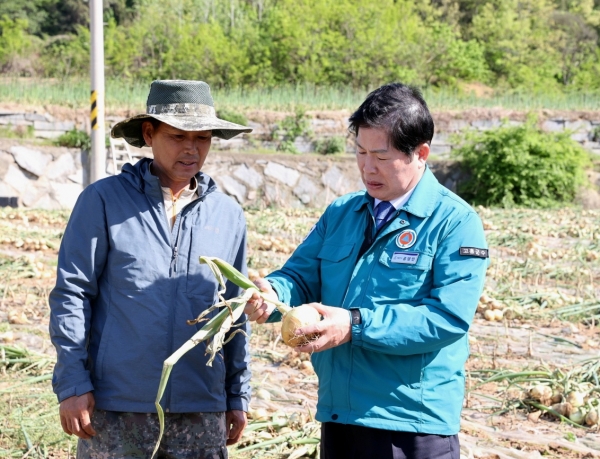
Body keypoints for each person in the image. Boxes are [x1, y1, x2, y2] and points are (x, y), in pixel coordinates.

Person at [245, 83, 489, 459]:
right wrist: (272, 292)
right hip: (341, 413)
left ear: (421, 153)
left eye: (381, 156)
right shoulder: (342, 213)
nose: (367, 167)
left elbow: (447, 318)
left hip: (411, 423)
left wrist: (353, 325)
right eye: (360, 151)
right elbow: (299, 276)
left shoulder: (454, 222)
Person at [49, 79, 253, 459]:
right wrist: (73, 382)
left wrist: (236, 393)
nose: (192, 149)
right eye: (178, 136)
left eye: (203, 138)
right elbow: (72, 295)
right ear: (149, 133)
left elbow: (235, 311)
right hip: (117, 407)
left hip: (200, 408)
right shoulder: (104, 202)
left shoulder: (227, 216)